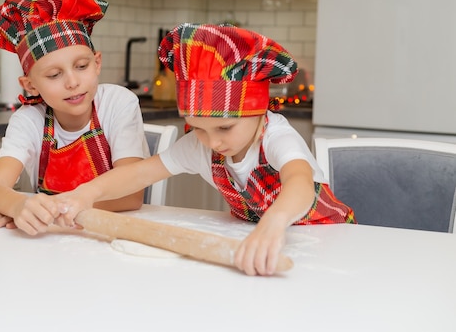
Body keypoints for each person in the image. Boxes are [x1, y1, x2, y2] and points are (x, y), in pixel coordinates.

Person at [45, 23, 356, 276]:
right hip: (263, 246)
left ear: (259, 112)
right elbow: (138, 174)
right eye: (198, 129)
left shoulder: (275, 136)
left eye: (224, 128)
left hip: (328, 245)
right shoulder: (203, 143)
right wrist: (83, 195)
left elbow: (300, 182)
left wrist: (274, 223)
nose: (213, 143)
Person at [0, 0, 150, 234]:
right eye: (54, 74)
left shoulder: (118, 103)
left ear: (97, 63)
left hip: (111, 235)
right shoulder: (29, 119)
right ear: (30, 85)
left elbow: (131, 195)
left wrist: (53, 209)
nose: (72, 82)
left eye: (81, 66)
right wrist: (18, 206)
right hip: (52, 241)